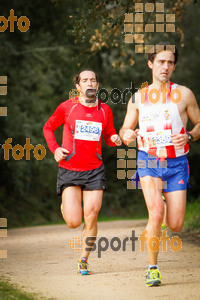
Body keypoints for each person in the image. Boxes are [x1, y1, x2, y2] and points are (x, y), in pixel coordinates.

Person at [119, 42, 200, 286]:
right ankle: (152, 268)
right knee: (156, 213)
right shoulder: (137, 98)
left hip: (176, 164)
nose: (165, 66)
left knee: (174, 224)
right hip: (149, 160)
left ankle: (164, 204)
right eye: (161, 62)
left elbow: (199, 125)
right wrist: (127, 135)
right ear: (150, 64)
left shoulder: (184, 94)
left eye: (170, 63)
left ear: (174, 67)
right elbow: (125, 128)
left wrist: (188, 135)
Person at [43, 69, 121, 275]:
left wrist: (114, 139)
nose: (89, 83)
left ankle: (83, 260)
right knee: (73, 222)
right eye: (84, 80)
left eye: (93, 80)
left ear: (97, 85)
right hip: (69, 170)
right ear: (77, 86)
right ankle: (67, 208)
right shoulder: (67, 108)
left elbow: (109, 134)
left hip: (94, 170)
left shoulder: (104, 110)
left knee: (92, 215)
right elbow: (48, 128)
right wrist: (55, 149)